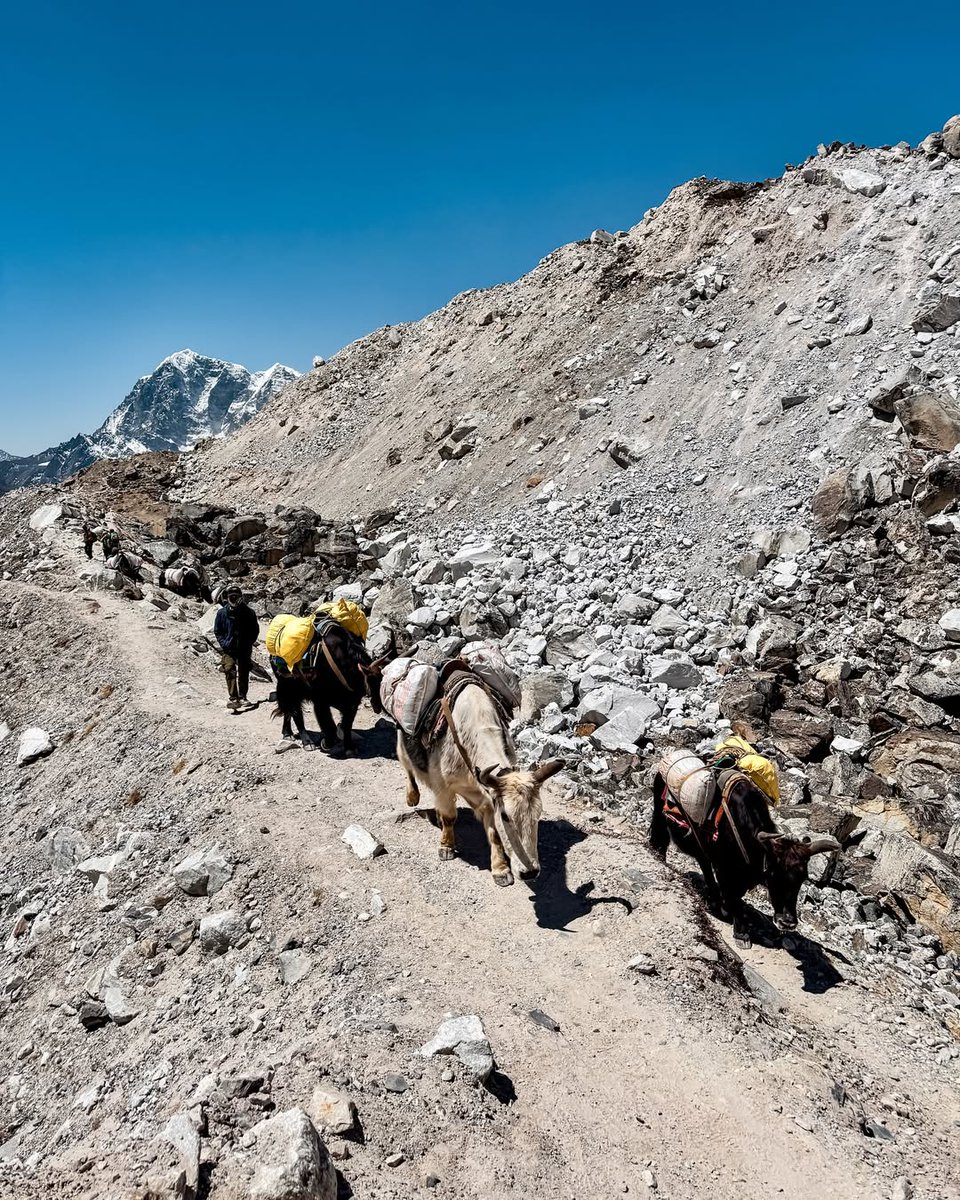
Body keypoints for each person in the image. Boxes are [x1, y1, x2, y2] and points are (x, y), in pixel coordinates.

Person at [214, 586, 259, 712]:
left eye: (236, 596)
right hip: (229, 647)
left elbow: (255, 630)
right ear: (227, 598)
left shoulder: (249, 613)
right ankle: (233, 698)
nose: (234, 599)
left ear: (241, 597)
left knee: (244, 671)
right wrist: (224, 643)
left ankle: (243, 696)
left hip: (244, 647)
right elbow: (218, 631)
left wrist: (249, 642)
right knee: (229, 669)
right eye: (231, 596)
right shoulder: (222, 613)